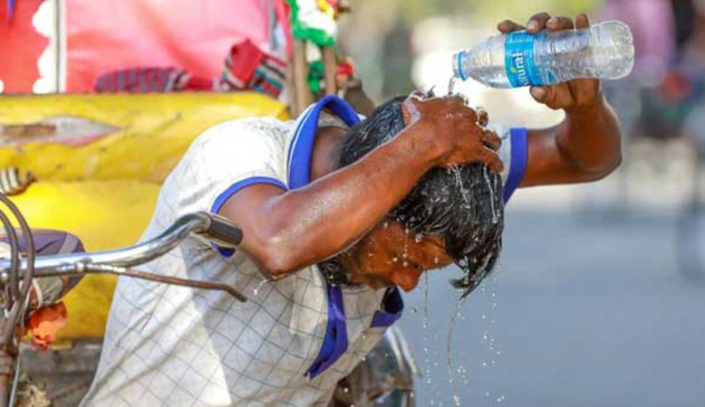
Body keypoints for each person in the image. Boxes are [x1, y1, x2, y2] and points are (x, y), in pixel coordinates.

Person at [81, 12, 622, 407]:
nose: (407, 282)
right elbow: (278, 243)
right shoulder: (236, 153)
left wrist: (585, 104)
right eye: (408, 256)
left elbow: (586, 158)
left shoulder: (442, 171)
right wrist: (419, 146)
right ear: (382, 193)